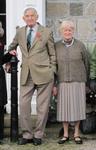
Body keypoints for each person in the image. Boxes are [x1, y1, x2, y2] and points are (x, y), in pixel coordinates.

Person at [8, 7, 56, 146]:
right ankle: (27, 134)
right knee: (23, 105)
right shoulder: (20, 32)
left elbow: (52, 53)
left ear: (37, 17)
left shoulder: (46, 32)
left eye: (32, 16)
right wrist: (9, 56)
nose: (29, 18)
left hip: (44, 74)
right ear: (24, 18)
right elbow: (12, 47)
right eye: (27, 16)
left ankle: (38, 135)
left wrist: (52, 70)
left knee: (42, 107)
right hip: (26, 74)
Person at [54, 20, 89, 144]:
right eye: (65, 30)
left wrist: (87, 82)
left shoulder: (80, 45)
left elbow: (87, 63)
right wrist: (54, 84)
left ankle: (76, 133)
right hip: (62, 81)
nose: (67, 32)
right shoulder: (56, 46)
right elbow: (53, 66)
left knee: (78, 107)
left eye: (70, 30)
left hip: (78, 81)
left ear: (73, 31)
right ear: (61, 32)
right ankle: (65, 134)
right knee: (64, 108)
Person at [0, 21, 13, 144]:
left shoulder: (0, 43)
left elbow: (1, 60)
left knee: (0, 107)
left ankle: (0, 136)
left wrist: (9, 55)